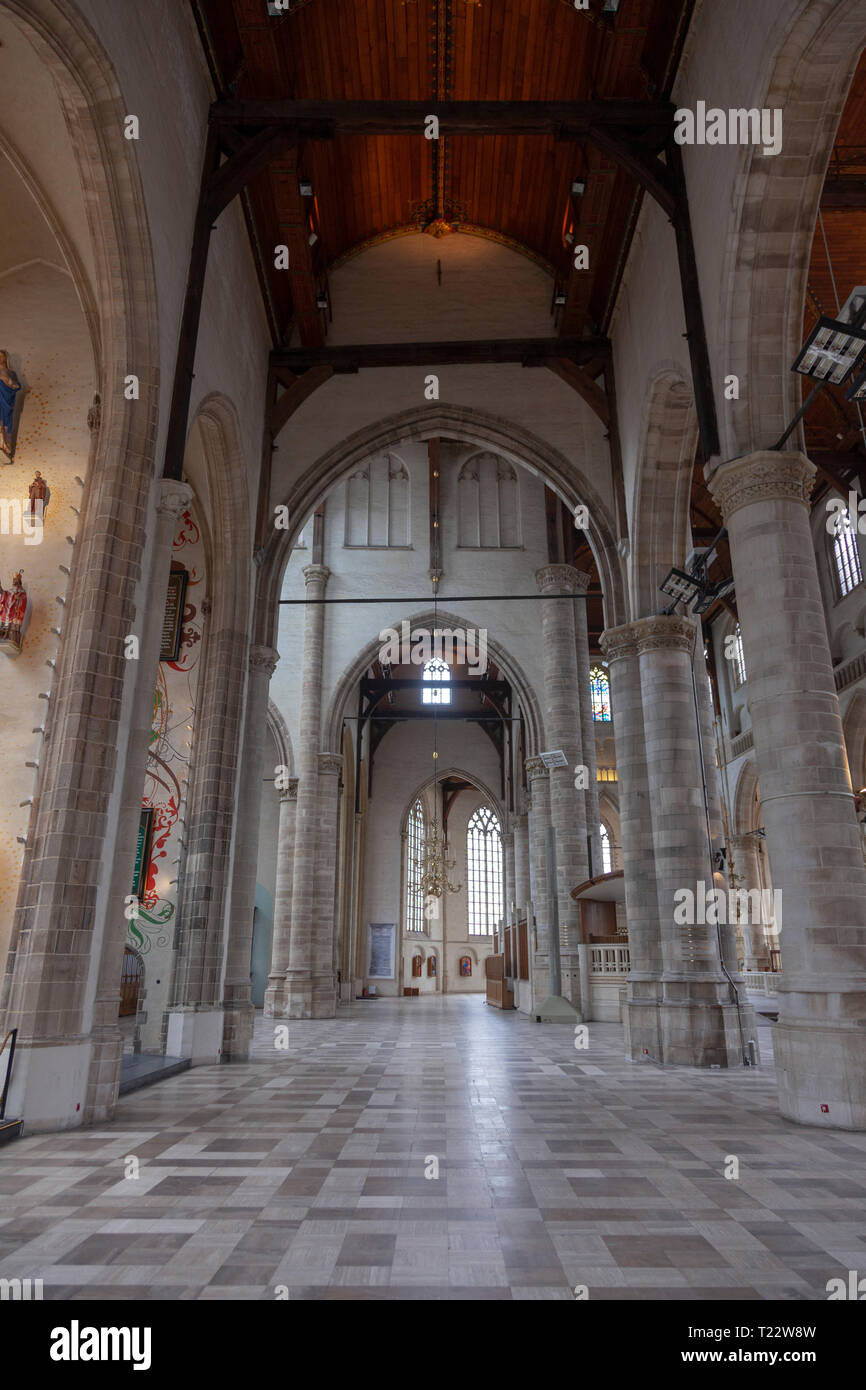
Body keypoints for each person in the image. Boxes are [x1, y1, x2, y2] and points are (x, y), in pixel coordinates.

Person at [0, 350, 21, 459]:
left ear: (5, 358)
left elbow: (17, 386)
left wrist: (7, 381)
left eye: (1, 356)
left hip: (6, 401)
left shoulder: (11, 373)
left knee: (6, 421)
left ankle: (5, 446)